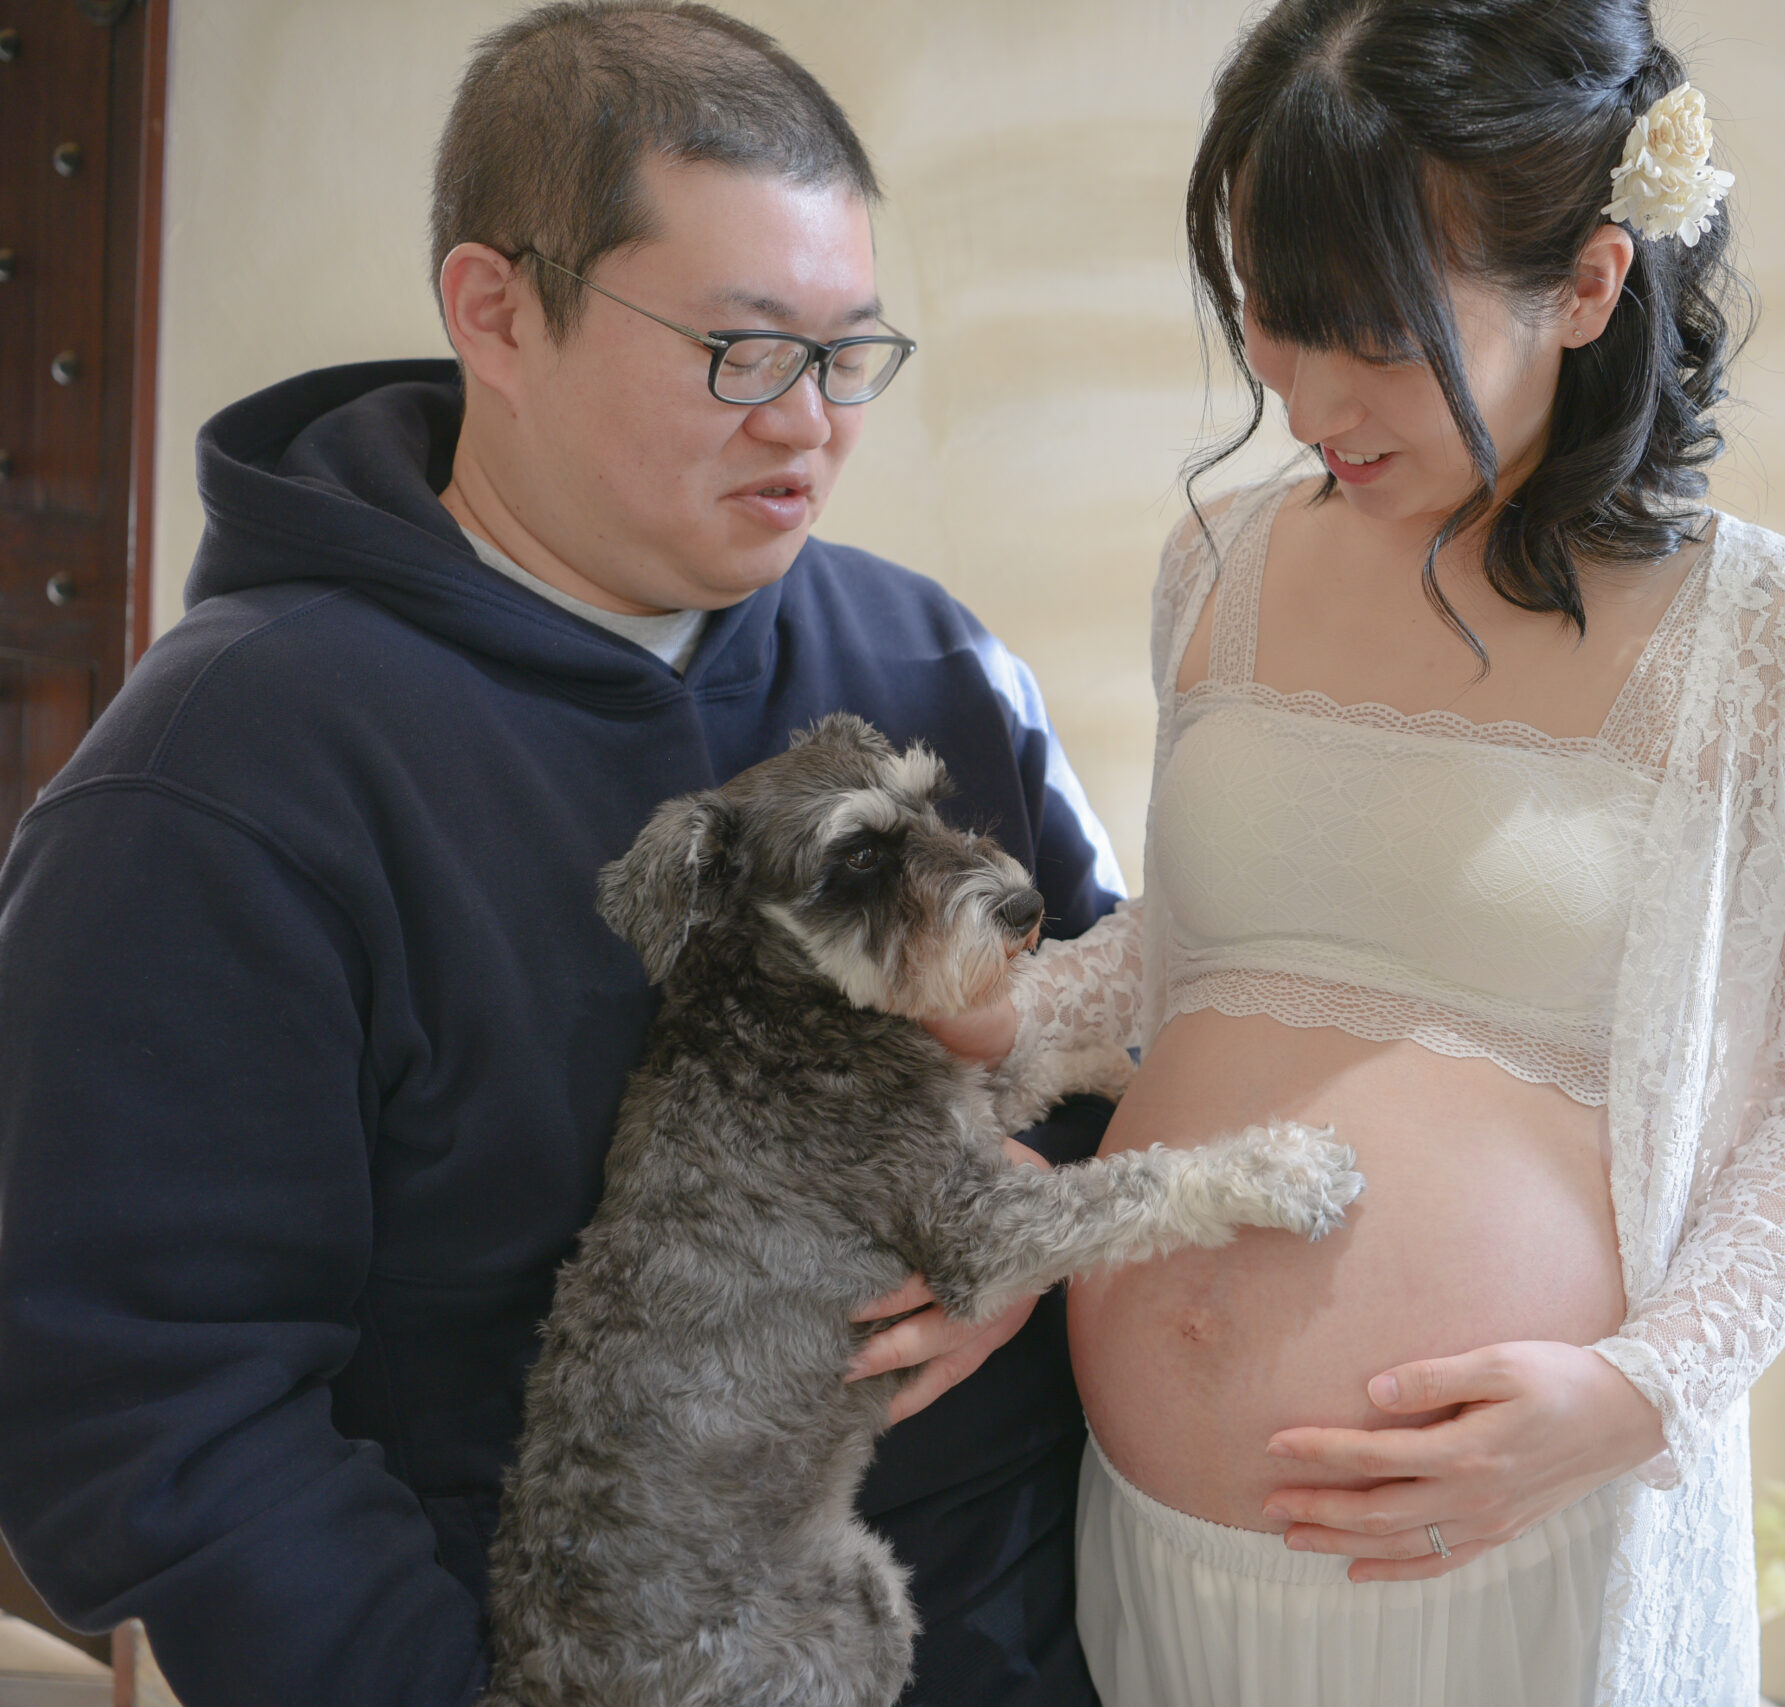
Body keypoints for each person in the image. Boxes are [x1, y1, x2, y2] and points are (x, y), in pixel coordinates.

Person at [0, 5, 1119, 1704]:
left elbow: (1116, 1034)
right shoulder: (226, 773)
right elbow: (145, 1398)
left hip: (994, 1632)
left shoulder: (928, 663)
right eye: (742, 352)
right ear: (497, 312)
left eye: (849, 352)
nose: (809, 421)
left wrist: (1033, 1210)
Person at [901, 2, 1785, 1701]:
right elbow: (1203, 957)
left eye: (1366, 335)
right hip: (1151, 1551)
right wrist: (997, 1034)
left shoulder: (1779, 640)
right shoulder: (1215, 566)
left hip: (1504, 1564)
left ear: (1588, 286)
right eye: (1266, 325)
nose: (1299, 396)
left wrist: (1647, 1393)